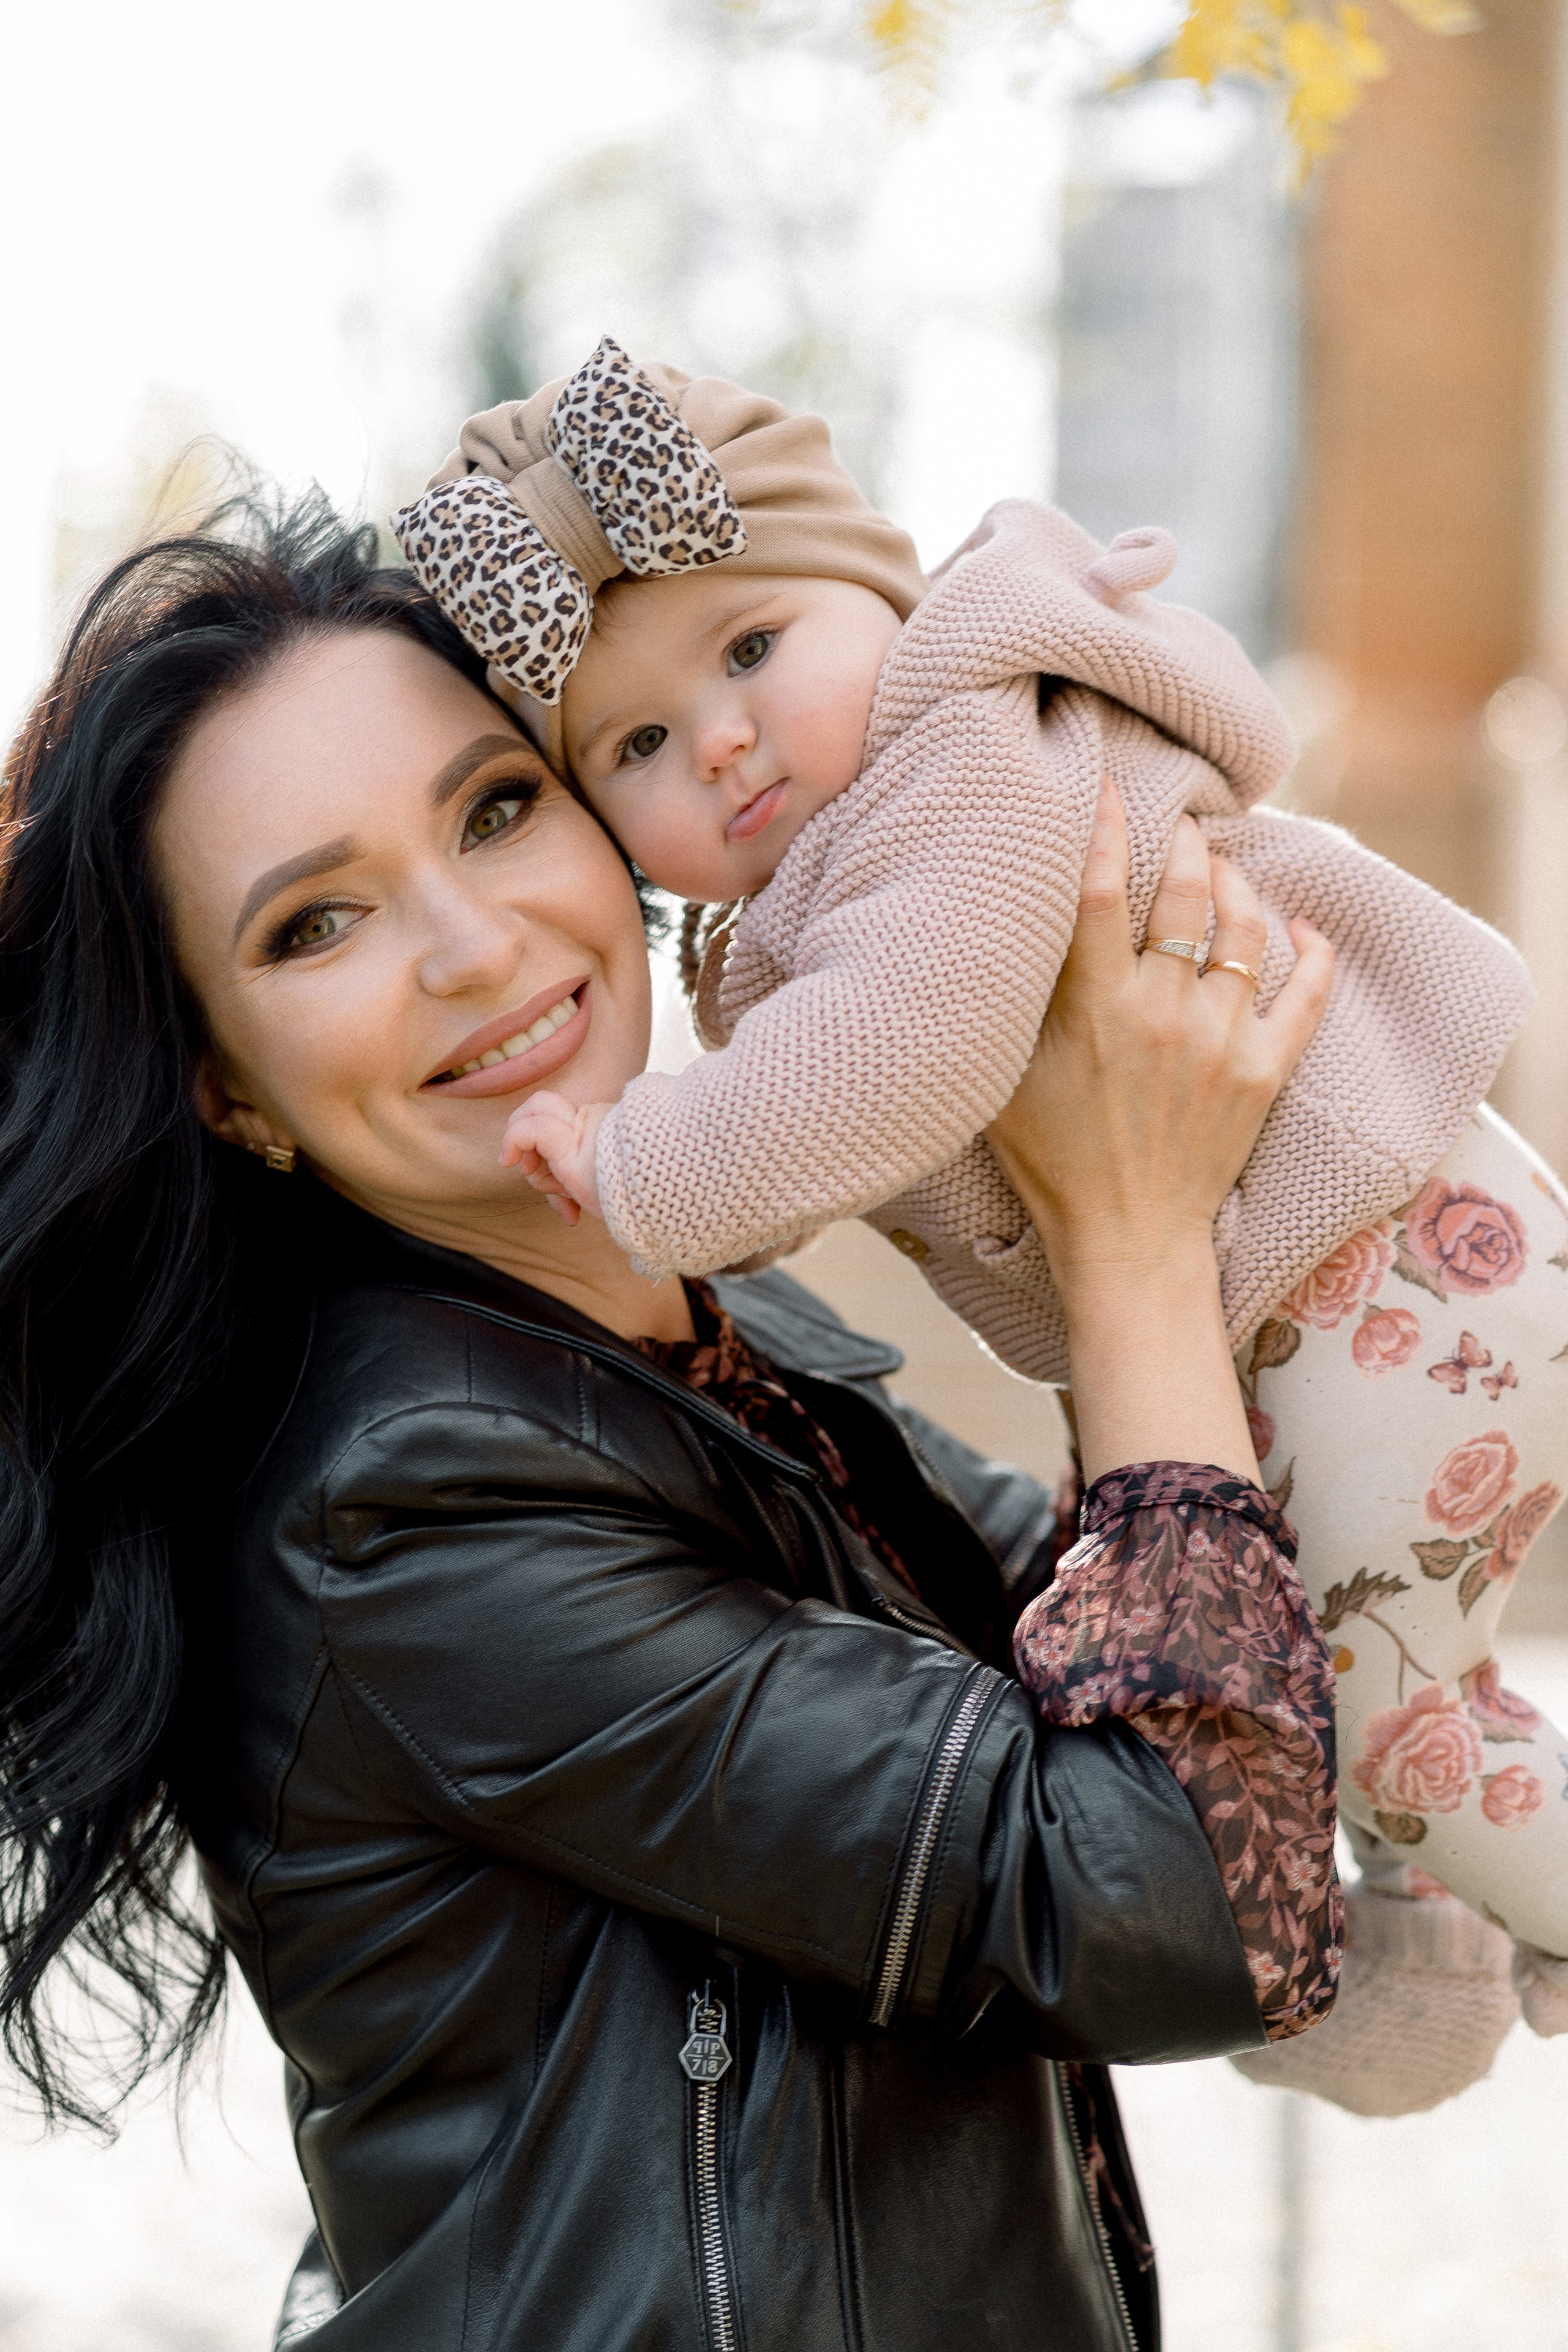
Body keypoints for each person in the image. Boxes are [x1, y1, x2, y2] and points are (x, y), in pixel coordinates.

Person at [0, 486, 1338, 2350]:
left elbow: (1139, 1657)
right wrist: (1132, 1243)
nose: (475, 944)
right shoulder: (399, 1509)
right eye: (317, 923)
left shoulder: (710, 1328)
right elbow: (1183, 1899)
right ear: (229, 1091)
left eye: (494, 805)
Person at [394, 336, 1568, 2007]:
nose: (720, 743)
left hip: (1390, 1267)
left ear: (884, 594)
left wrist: (634, 1153)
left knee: (1385, 1720)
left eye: (750, 647)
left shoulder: (955, 767)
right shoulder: (860, 854)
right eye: (636, 745)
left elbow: (899, 1056)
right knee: (1326, 1667)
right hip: (1368, 1271)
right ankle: (1442, 1946)